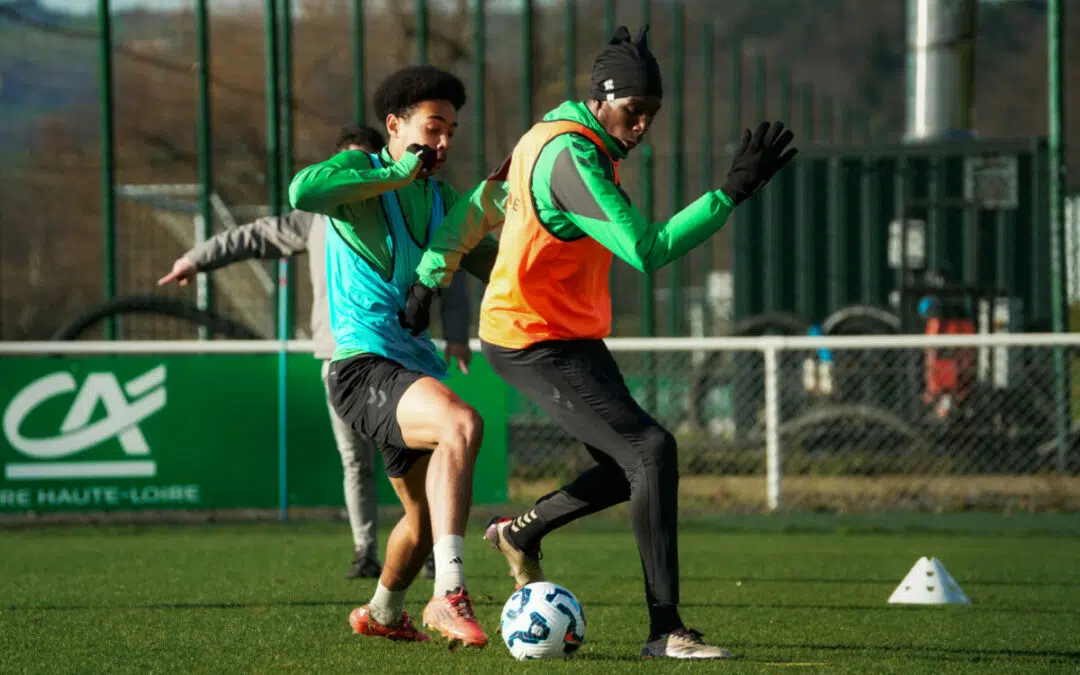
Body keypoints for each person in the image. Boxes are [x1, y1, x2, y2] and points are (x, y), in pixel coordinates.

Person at [402, 26, 797, 660]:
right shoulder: (571, 157)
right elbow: (647, 249)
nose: (641, 126)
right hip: (530, 338)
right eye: (633, 110)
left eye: (651, 113)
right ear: (601, 99)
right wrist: (730, 193)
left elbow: (479, 203)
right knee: (651, 450)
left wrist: (431, 276)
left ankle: (519, 533)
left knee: (628, 467)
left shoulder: (548, 136)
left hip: (564, 334)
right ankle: (665, 631)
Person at [157, 126, 470, 583]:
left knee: (419, 456)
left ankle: (423, 548)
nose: (352, 173)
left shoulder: (410, 205)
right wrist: (196, 258)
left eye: (361, 164)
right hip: (345, 359)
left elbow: (451, 265)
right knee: (355, 461)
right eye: (344, 165)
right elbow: (254, 236)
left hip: (403, 355)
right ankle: (365, 551)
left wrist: (457, 334)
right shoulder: (318, 215)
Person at [288, 64, 500, 647]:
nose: (443, 142)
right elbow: (302, 191)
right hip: (361, 367)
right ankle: (449, 594)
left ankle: (383, 612)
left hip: (410, 370)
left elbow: (492, 262)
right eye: (433, 128)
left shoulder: (442, 199)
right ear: (395, 126)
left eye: (451, 131)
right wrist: (398, 172)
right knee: (461, 424)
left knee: (425, 520)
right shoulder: (361, 172)